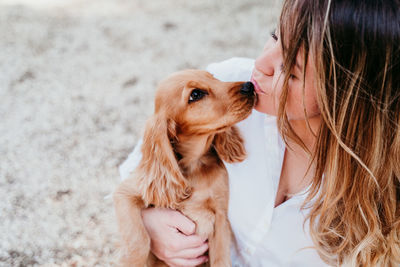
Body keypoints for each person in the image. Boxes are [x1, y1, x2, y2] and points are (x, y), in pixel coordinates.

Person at [118, 0, 400, 266]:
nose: (261, 63)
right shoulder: (229, 86)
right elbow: (138, 171)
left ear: (342, 97)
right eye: (275, 36)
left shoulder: (377, 189)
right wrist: (151, 224)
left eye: (289, 71)